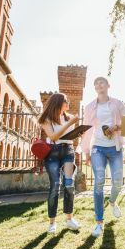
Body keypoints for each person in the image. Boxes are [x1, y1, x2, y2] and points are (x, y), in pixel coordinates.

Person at [79, 77, 125, 237]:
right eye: (96, 83)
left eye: (102, 82)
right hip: (97, 147)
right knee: (99, 182)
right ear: (95, 88)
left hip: (115, 148)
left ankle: (112, 201)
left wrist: (117, 127)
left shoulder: (118, 104)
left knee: (118, 182)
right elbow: (86, 129)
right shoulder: (90, 107)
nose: (99, 84)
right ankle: (99, 223)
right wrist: (86, 151)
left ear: (108, 85)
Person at [38, 93, 81, 233]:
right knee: (55, 186)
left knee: (69, 184)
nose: (68, 103)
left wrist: (79, 132)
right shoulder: (46, 119)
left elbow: (69, 137)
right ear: (58, 103)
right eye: (65, 101)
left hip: (68, 151)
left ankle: (69, 219)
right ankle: (52, 223)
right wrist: (69, 124)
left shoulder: (68, 117)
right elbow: (54, 137)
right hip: (53, 153)